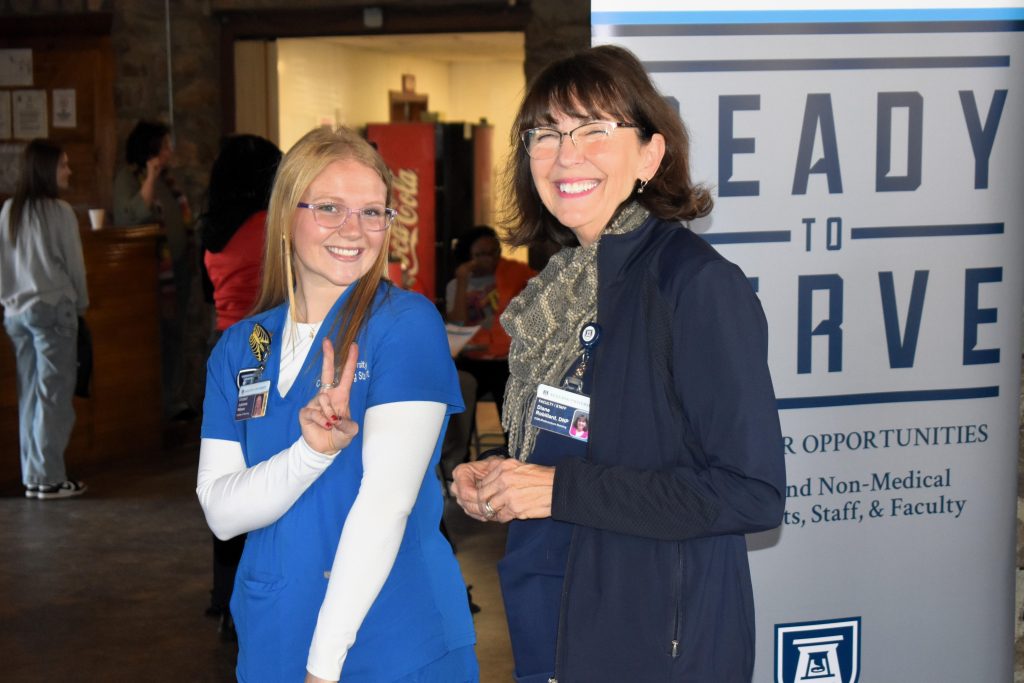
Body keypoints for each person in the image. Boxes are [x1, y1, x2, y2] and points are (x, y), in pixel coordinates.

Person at [450, 45, 786, 682]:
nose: (566, 154)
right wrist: (502, 479)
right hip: (554, 611)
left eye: (595, 130)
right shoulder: (558, 291)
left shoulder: (694, 285)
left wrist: (556, 489)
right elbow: (587, 445)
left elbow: (753, 494)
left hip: (655, 641)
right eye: (545, 133)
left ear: (650, 156)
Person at [196, 126, 477, 682]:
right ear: (284, 215)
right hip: (276, 632)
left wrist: (323, 668)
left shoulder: (405, 324)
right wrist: (310, 454)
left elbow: (386, 506)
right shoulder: (244, 346)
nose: (355, 230)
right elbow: (223, 513)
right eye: (330, 207)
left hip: (391, 637)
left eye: (373, 213)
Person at [196, 134, 282, 639]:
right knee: (265, 469)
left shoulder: (213, 233)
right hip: (262, 349)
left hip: (227, 354)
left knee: (227, 472)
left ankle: (222, 594)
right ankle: (252, 594)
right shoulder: (270, 227)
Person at [1, 139, 89, 499]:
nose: (68, 171)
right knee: (53, 396)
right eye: (63, 165)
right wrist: (81, 304)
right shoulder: (60, 212)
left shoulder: (9, 210)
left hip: (16, 314)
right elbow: (75, 267)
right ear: (46, 170)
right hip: (54, 312)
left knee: (31, 396)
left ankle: (34, 476)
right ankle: (49, 477)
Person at [112, 119, 193, 419]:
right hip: (150, 275)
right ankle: (157, 404)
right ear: (151, 148)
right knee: (156, 337)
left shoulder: (168, 179)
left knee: (176, 334)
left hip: (177, 270)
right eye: (165, 145)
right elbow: (130, 215)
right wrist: (148, 177)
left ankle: (175, 398)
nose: (170, 151)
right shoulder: (128, 178)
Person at [445, 225, 534, 423]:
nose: (489, 259)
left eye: (494, 252)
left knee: (512, 402)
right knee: (457, 398)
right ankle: (459, 452)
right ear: (468, 255)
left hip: (505, 359)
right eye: (481, 254)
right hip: (471, 358)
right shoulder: (456, 284)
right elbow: (458, 323)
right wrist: (462, 281)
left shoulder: (513, 276)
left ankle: (513, 449)